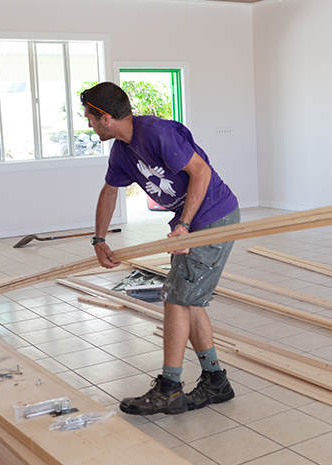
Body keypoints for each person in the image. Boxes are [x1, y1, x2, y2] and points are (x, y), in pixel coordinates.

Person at [81, 82, 240, 416]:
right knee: (188, 298)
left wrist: (183, 224)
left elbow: (201, 172)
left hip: (213, 216)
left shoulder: (157, 133)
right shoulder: (122, 151)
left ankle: (169, 389)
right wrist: (99, 239)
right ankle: (215, 381)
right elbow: (109, 192)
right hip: (192, 222)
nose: (89, 124)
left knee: (176, 298)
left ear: (107, 118)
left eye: (91, 118)